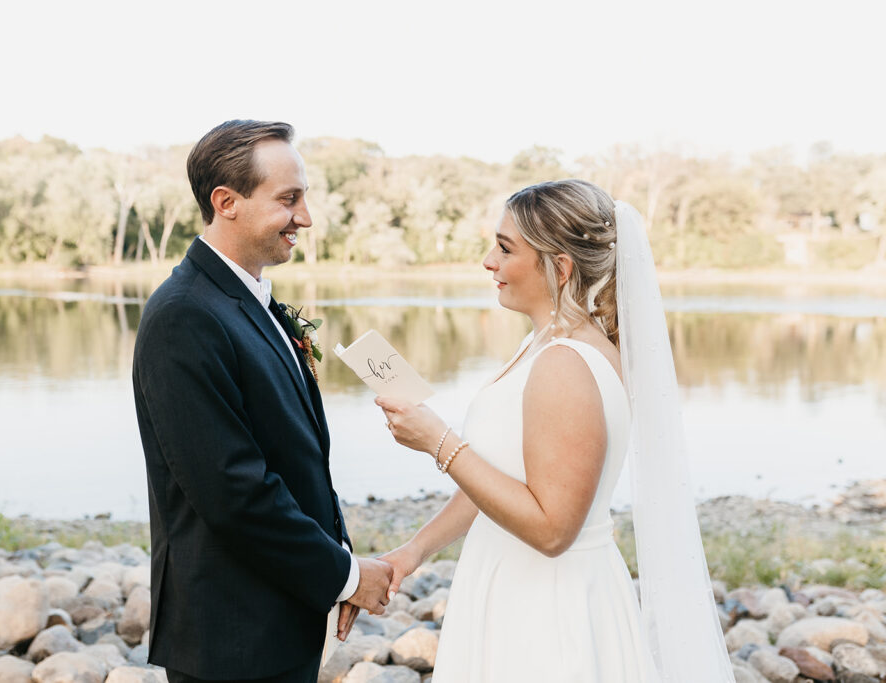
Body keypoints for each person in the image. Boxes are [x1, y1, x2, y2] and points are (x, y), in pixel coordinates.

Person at [376, 180, 734, 681]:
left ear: (560, 267)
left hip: (546, 607)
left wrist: (438, 441)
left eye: (504, 248)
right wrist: (414, 550)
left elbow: (552, 529)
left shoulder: (565, 363)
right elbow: (503, 476)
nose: (488, 262)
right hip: (511, 586)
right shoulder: (544, 345)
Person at [132, 120, 393, 683]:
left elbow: (298, 459)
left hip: (276, 618)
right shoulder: (185, 315)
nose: (305, 217)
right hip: (232, 638)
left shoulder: (250, 300)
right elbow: (234, 491)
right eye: (289, 199)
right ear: (226, 202)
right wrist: (346, 575)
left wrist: (332, 564)